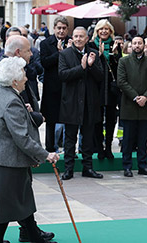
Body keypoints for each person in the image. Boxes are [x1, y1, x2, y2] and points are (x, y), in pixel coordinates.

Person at [0, 56, 59, 243]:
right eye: (23, 73)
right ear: (14, 80)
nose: (26, 77)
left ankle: (28, 236)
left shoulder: (2, 93)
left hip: (0, 156)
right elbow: (21, 137)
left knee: (17, 199)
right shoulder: (11, 101)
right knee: (11, 202)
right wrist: (45, 155)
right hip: (6, 159)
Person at [58, 26, 104, 180]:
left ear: (87, 39)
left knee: (88, 138)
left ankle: (88, 168)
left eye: (81, 36)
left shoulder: (94, 53)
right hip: (71, 103)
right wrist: (81, 67)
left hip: (89, 103)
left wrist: (90, 66)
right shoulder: (65, 54)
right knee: (70, 138)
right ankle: (68, 169)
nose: (78, 39)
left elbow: (100, 77)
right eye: (76, 36)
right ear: (72, 38)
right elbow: (63, 75)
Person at [117, 35, 147, 177]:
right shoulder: (123, 61)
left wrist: (145, 97)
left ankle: (142, 166)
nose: (137, 46)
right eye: (134, 43)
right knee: (128, 139)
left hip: (145, 106)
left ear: (144, 45)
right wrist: (135, 97)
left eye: (139, 43)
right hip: (129, 104)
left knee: (143, 139)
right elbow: (121, 81)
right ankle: (127, 167)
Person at [39, 17, 71, 154]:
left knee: (69, 119)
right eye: (59, 28)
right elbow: (44, 63)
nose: (61, 31)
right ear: (54, 29)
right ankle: (50, 149)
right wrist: (59, 53)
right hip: (52, 87)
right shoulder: (46, 43)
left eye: (64, 28)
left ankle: (69, 149)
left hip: (69, 85)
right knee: (51, 120)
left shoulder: (72, 42)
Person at [91, 20, 122, 160]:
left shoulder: (115, 45)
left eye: (106, 29)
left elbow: (119, 69)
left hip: (111, 88)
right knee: (97, 119)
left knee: (110, 118)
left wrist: (115, 55)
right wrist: (99, 54)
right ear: (97, 31)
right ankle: (99, 148)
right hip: (96, 87)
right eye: (101, 29)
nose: (104, 31)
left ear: (110, 31)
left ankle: (108, 146)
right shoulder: (91, 45)